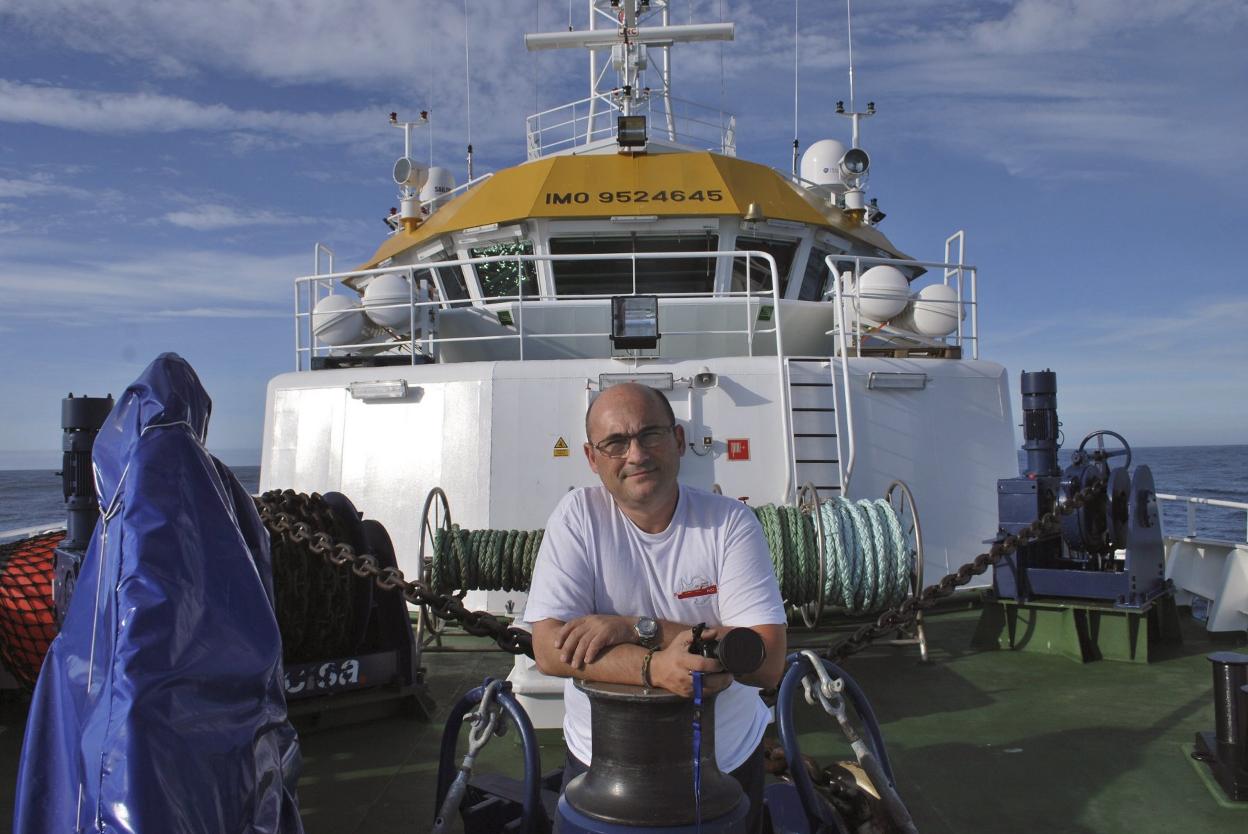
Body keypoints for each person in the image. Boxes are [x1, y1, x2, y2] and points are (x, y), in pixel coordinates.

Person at [523, 382, 787, 833]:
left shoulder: (730, 523)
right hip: (601, 768)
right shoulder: (578, 518)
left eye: (650, 434)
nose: (637, 454)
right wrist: (656, 668)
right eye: (615, 442)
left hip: (724, 764)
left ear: (678, 440)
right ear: (592, 458)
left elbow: (766, 661)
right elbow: (549, 649)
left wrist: (635, 628)